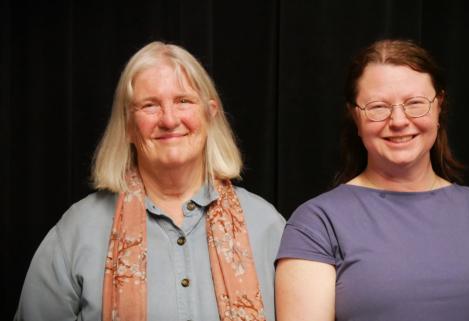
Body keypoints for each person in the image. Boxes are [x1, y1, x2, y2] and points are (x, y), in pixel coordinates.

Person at [275, 39, 469, 321]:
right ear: (356, 117)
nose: (398, 120)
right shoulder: (316, 222)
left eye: (415, 103)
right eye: (378, 106)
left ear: (439, 106)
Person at [15, 41, 285, 321]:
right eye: (150, 105)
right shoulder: (77, 231)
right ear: (128, 126)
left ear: (210, 113)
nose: (169, 120)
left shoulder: (267, 226)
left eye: (183, 101)